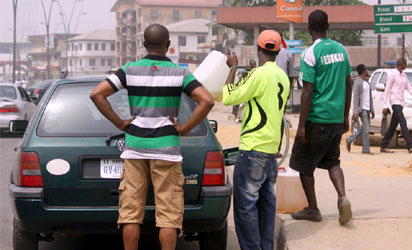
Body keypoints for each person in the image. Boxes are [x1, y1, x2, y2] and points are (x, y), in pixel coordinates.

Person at [90, 24, 214, 250]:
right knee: (168, 214)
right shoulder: (180, 73)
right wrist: (184, 128)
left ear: (144, 44)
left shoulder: (129, 70)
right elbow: (207, 100)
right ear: (168, 45)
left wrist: (120, 123)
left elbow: (97, 93)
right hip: (167, 151)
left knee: (130, 213)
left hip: (135, 148)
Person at [223, 30, 290, 250]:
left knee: (245, 209)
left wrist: (232, 67)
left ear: (259, 49)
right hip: (270, 152)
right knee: (267, 207)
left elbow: (229, 96)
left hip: (252, 150)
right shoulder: (283, 77)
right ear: (278, 50)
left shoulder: (258, 74)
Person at [289, 10, 353, 225]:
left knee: (304, 166)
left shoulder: (310, 53)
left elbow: (307, 90)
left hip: (317, 118)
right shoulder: (342, 50)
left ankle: (313, 209)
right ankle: (343, 197)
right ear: (328, 26)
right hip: (335, 118)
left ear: (309, 29)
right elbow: (348, 83)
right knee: (333, 161)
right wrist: (345, 116)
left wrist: (301, 127)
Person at [380, 58, 412, 154]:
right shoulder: (392, 74)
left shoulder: (404, 76)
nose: (406, 65)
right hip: (394, 102)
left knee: (393, 126)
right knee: (403, 123)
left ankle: (383, 145)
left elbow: (409, 88)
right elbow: (387, 90)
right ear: (400, 64)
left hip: (401, 103)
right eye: (405, 64)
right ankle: (410, 146)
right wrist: (385, 105)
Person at [346, 64, 375, 154]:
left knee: (364, 129)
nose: (367, 71)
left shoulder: (366, 82)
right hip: (361, 109)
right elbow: (355, 98)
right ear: (363, 71)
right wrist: (355, 112)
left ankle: (349, 139)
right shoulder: (357, 83)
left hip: (367, 108)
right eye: (366, 70)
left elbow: (369, 97)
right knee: (366, 130)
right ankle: (366, 150)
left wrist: (372, 110)